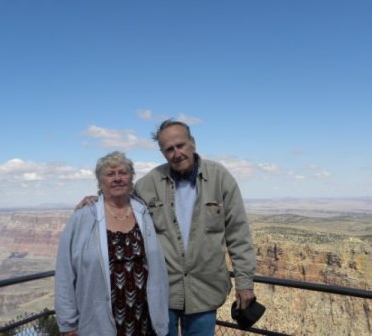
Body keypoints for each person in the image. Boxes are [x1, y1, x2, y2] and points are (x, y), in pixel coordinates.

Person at [77, 119, 257, 336]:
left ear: (193, 143)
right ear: (162, 153)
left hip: (205, 292)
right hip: (162, 295)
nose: (176, 153)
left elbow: (239, 234)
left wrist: (244, 283)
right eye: (169, 149)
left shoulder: (220, 178)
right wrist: (96, 200)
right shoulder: (150, 183)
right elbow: (119, 197)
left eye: (180, 145)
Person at [55, 151, 169, 336]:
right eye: (110, 174)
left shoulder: (143, 212)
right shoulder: (83, 217)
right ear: (100, 182)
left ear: (131, 179)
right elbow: (65, 272)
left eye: (123, 173)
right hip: (100, 321)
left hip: (145, 319)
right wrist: (68, 323)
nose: (117, 178)